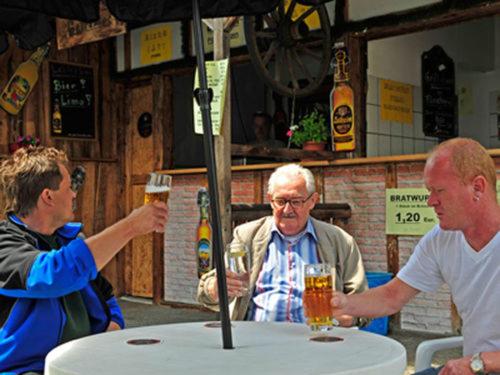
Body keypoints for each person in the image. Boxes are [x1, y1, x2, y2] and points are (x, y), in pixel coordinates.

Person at [331, 138, 500, 375]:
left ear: (478, 188)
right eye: (429, 192)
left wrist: (480, 363)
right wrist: (343, 303)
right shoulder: (441, 239)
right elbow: (392, 296)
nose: (431, 201)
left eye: (439, 191)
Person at [0, 146, 168, 374]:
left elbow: (105, 294)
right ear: (47, 196)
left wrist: (113, 325)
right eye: (69, 187)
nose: (74, 194)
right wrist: (131, 226)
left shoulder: (68, 239)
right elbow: (54, 275)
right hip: (28, 369)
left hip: (83, 361)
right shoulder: (5, 243)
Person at [198, 163, 368, 326]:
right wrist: (214, 288)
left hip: (316, 340)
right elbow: (210, 289)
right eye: (281, 201)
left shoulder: (340, 241)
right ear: (271, 200)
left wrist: (345, 318)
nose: (287, 210)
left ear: (312, 201)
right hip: (256, 340)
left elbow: (363, 302)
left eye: (296, 201)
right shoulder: (247, 236)